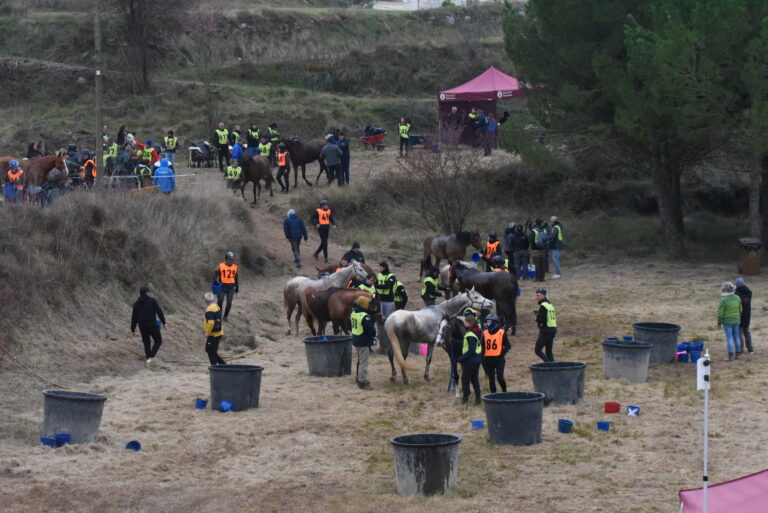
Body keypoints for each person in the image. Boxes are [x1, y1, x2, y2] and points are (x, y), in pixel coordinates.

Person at [130, 286, 166, 367]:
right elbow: (159, 311)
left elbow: (134, 318)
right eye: (149, 292)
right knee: (158, 341)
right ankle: (151, 358)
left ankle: (148, 361)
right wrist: (164, 322)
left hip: (142, 326)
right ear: (146, 293)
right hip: (152, 325)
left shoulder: (136, 304)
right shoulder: (152, 300)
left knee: (146, 343)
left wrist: (133, 329)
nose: (149, 293)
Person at [350, 296, 377, 390]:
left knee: (360, 360)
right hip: (363, 341)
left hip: (355, 339)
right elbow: (371, 330)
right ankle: (362, 382)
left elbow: (349, 325)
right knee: (363, 362)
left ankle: (358, 378)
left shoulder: (353, 313)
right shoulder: (364, 316)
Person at [456, 310, 482, 405]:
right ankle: (478, 399)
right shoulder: (475, 332)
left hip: (470, 361)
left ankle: (465, 398)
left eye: (466, 322)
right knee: (474, 379)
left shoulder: (470, 334)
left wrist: (461, 358)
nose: (464, 323)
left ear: (469, 323)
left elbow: (471, 350)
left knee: (465, 380)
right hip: (476, 360)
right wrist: (454, 341)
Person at [481, 313, 510, 393]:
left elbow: (508, 345)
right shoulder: (485, 333)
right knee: (491, 380)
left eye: (489, 322)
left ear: (494, 322)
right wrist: (483, 357)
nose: (487, 323)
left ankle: (504, 392)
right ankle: (493, 396)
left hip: (499, 360)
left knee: (500, 378)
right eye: (487, 322)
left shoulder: (501, 332)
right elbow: (482, 346)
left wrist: (501, 354)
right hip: (488, 360)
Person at [718, 281, 743, 361]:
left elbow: (720, 313)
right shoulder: (737, 297)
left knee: (729, 338)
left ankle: (730, 356)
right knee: (737, 337)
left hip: (727, 321)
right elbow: (741, 309)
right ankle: (738, 354)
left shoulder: (723, 300)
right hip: (736, 320)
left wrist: (719, 321)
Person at [213, 251, 239, 321]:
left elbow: (236, 278)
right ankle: (219, 314)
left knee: (229, 303)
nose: (231, 261)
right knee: (220, 301)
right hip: (222, 287)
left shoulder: (235, 267)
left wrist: (237, 287)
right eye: (230, 259)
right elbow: (215, 273)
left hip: (231, 288)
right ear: (226, 259)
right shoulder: (221, 266)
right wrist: (215, 280)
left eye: (232, 260)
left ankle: (225, 316)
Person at [534, 288, 557, 362]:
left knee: (537, 350)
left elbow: (542, 320)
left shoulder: (543, 305)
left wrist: (537, 317)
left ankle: (548, 365)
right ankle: (553, 367)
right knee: (549, 352)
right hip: (552, 330)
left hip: (546, 331)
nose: (537, 297)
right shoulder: (550, 304)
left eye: (538, 295)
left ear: (543, 296)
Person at [203, 292, 226, 365]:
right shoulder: (215, 306)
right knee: (210, 349)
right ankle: (223, 365)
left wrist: (207, 332)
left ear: (206, 300)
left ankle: (215, 367)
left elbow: (211, 323)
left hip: (214, 334)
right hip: (218, 332)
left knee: (210, 350)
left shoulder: (210, 309)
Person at [735, 277, 754, 353]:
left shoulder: (736, 294)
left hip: (739, 315)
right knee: (747, 332)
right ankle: (750, 348)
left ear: (737, 285)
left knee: (739, 333)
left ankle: (740, 349)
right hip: (747, 315)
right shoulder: (749, 293)